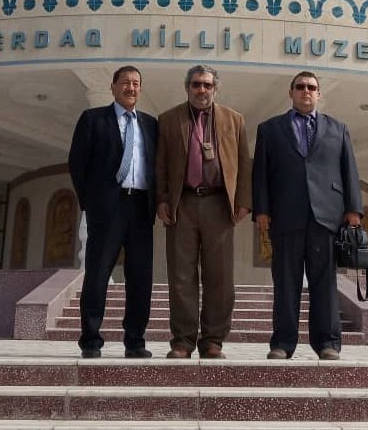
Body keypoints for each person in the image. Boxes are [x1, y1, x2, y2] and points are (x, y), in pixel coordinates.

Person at [252, 71, 362, 360]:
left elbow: (349, 170)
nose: (306, 91)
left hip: (327, 217)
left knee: (325, 284)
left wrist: (353, 209)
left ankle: (328, 343)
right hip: (285, 216)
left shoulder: (338, 129)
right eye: (300, 87)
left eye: (311, 87)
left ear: (319, 94)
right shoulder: (270, 129)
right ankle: (282, 343)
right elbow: (260, 173)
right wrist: (261, 209)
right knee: (285, 284)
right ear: (290, 93)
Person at [156, 64, 252, 359]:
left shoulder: (234, 120)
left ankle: (213, 340)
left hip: (218, 204)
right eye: (196, 84)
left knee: (219, 276)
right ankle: (183, 341)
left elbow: (244, 163)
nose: (202, 90)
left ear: (215, 89)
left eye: (207, 85)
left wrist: (243, 201)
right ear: (187, 88)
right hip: (182, 203)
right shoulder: (169, 119)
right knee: (181, 275)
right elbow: (160, 164)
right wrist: (162, 199)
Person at [68, 65, 157, 359]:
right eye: (125, 83)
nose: (131, 88)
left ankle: (135, 341)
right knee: (98, 274)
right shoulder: (94, 119)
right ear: (113, 87)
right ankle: (91, 340)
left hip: (140, 207)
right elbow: (77, 164)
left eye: (136, 83)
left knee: (140, 278)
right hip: (107, 207)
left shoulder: (150, 124)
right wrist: (90, 202)